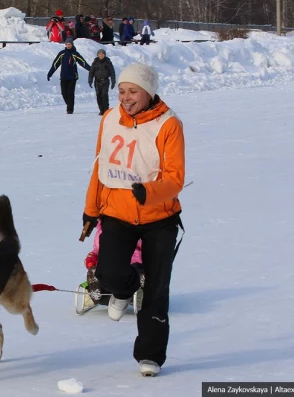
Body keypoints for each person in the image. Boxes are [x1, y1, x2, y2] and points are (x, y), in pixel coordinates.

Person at [82, 62, 185, 377]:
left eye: (133, 92)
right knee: (108, 273)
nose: (125, 98)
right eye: (122, 91)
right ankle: (124, 290)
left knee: (156, 289)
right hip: (117, 212)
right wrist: (90, 211)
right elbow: (101, 168)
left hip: (159, 217)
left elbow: (175, 178)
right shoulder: (109, 119)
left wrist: (149, 192)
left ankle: (150, 355)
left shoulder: (169, 125)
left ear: (148, 92)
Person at [46, 37, 90, 114]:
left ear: (72, 44)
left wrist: (91, 69)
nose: (68, 46)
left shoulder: (75, 54)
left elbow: (83, 63)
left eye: (69, 44)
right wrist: (50, 73)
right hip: (63, 77)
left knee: (70, 93)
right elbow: (55, 64)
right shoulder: (62, 54)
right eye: (67, 44)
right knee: (64, 93)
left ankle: (70, 109)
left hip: (72, 77)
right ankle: (69, 104)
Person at [88, 48, 116, 115]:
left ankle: (106, 109)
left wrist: (113, 81)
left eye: (102, 54)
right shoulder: (95, 62)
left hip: (105, 81)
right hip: (97, 82)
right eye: (100, 54)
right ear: (97, 55)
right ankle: (101, 109)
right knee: (98, 95)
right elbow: (91, 72)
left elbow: (112, 72)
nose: (101, 55)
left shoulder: (108, 62)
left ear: (105, 55)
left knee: (104, 95)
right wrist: (90, 80)